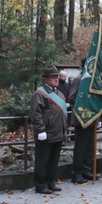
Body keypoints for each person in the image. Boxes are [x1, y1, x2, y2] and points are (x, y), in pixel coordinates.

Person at [30, 66, 67, 194]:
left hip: (57, 132)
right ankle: (40, 185)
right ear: (46, 79)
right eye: (53, 76)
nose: (56, 79)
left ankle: (50, 181)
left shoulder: (59, 93)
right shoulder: (39, 94)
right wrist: (40, 130)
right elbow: (36, 113)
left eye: (57, 76)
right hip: (46, 132)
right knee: (42, 160)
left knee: (53, 160)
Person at [68, 59, 94, 184]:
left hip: (91, 119)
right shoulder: (78, 79)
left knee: (89, 146)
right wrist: (85, 110)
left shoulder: (91, 80)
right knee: (80, 147)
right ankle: (76, 173)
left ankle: (86, 170)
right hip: (81, 118)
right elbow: (72, 98)